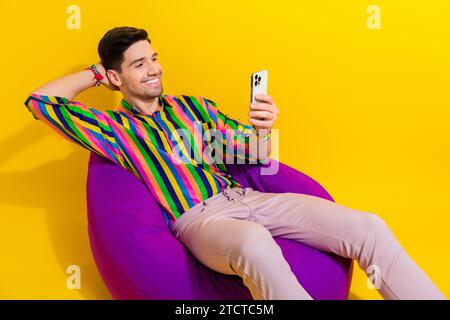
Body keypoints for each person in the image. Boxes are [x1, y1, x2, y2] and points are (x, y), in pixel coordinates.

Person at [24, 26, 446, 300]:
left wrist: (263, 127)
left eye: (153, 58)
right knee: (254, 244)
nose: (153, 70)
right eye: (138, 64)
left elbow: (253, 153)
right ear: (117, 79)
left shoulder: (193, 107)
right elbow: (39, 101)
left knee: (367, 226)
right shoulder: (111, 128)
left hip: (246, 196)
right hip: (200, 220)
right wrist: (97, 73)